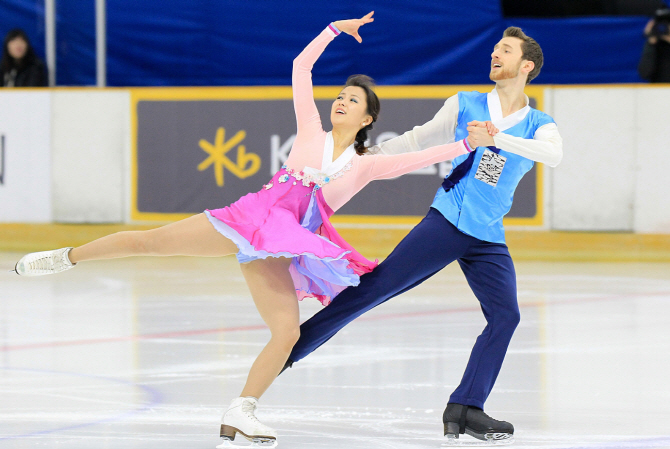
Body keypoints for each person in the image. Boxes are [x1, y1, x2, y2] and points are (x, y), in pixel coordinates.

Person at [11, 12, 483, 447]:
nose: (341, 100)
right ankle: (65, 257)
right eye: (341, 94)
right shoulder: (310, 131)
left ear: (368, 119)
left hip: (286, 242)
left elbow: (422, 157)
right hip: (252, 218)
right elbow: (301, 67)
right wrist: (333, 30)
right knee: (149, 241)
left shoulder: (366, 164)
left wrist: (466, 142)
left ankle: (241, 410)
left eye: (353, 99)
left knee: (285, 333)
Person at [281, 26, 563, 445]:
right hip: (447, 221)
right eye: (493, 48)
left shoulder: (539, 123)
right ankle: (287, 353)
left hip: (487, 234)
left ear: (527, 66)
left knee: (506, 316)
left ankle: (466, 407)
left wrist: (498, 137)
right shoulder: (465, 104)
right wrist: (361, 158)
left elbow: (553, 156)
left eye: (504, 50)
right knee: (375, 288)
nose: (494, 54)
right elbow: (417, 140)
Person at [639, 6, 670, 82]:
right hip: (658, 90)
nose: (664, 26)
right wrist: (651, 44)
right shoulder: (653, 45)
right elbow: (644, 74)